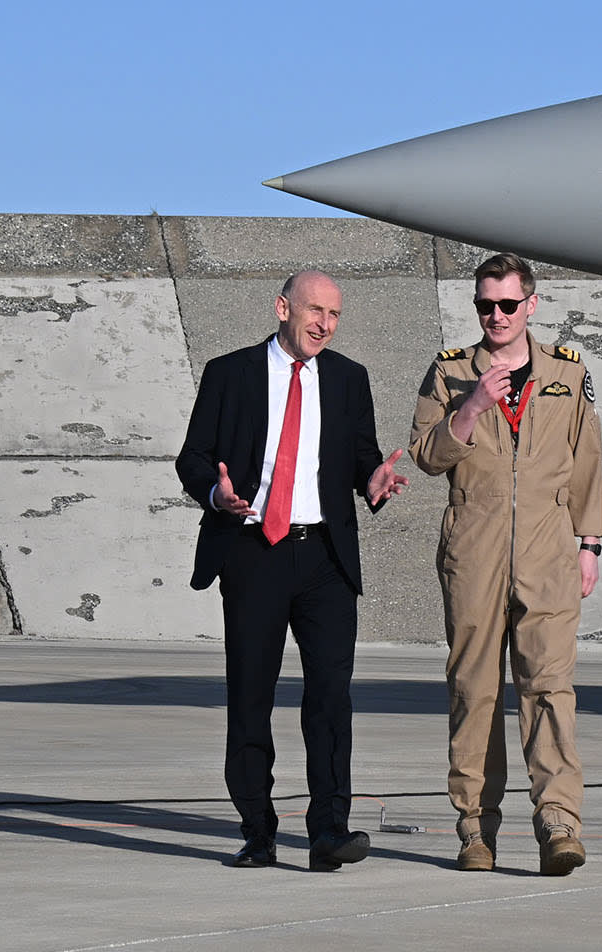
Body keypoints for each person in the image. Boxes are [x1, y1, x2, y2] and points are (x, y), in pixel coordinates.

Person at [176, 270, 408, 870]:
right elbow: (193, 457)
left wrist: (373, 480)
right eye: (314, 311)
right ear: (283, 307)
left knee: (331, 697)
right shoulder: (230, 373)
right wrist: (216, 496)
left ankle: (329, 830)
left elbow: (360, 456)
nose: (324, 325)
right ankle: (257, 830)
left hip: (325, 556)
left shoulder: (350, 379)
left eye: (334, 315)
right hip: (254, 552)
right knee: (251, 695)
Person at [409, 253, 602, 877]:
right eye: (484, 305)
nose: (495, 316)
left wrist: (589, 544)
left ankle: (558, 824)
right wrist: (470, 409)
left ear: (531, 305)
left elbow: (586, 463)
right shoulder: (448, 374)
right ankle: (475, 828)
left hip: (548, 550)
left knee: (549, 688)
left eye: (507, 305)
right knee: (476, 690)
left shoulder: (567, 373)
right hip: (474, 549)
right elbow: (424, 456)